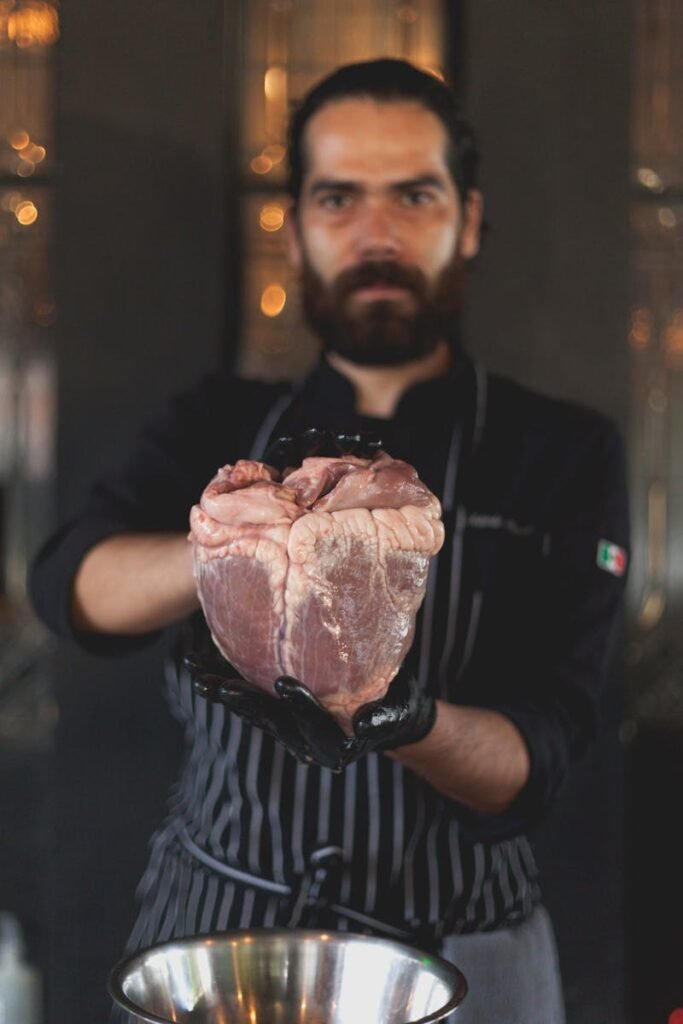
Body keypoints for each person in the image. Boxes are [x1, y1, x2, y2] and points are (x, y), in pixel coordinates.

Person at [29, 59, 629, 1023]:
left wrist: (407, 720)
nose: (375, 233)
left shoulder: (559, 452)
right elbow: (70, 586)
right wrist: (234, 552)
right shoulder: (216, 421)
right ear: (298, 225)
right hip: (219, 935)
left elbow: (544, 750)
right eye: (338, 197)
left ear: (467, 220)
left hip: (459, 951)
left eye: (414, 195)